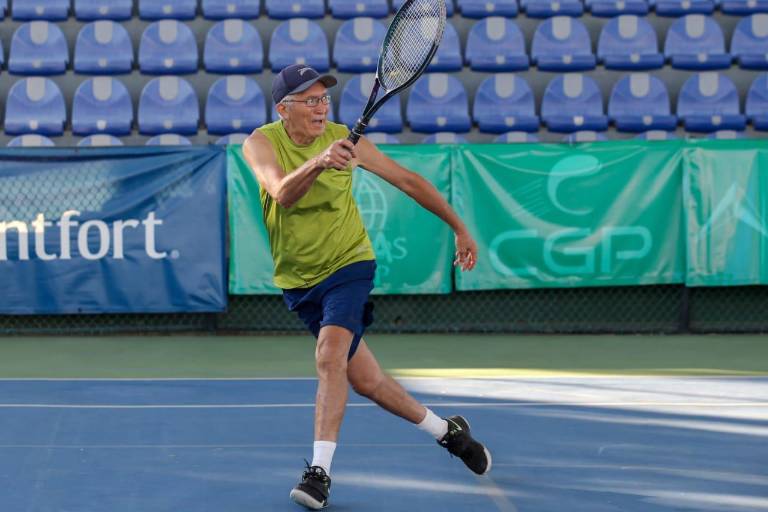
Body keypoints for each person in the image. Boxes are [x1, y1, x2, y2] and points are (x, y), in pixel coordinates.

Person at [243, 64, 492, 510]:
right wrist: (320, 162)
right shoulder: (260, 142)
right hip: (299, 281)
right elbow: (281, 192)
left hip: (349, 265)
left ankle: (318, 473)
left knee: (329, 356)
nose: (321, 108)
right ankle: (447, 433)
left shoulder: (348, 141)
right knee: (368, 382)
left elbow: (408, 181)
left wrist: (459, 228)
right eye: (310, 100)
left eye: (324, 99)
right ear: (284, 108)